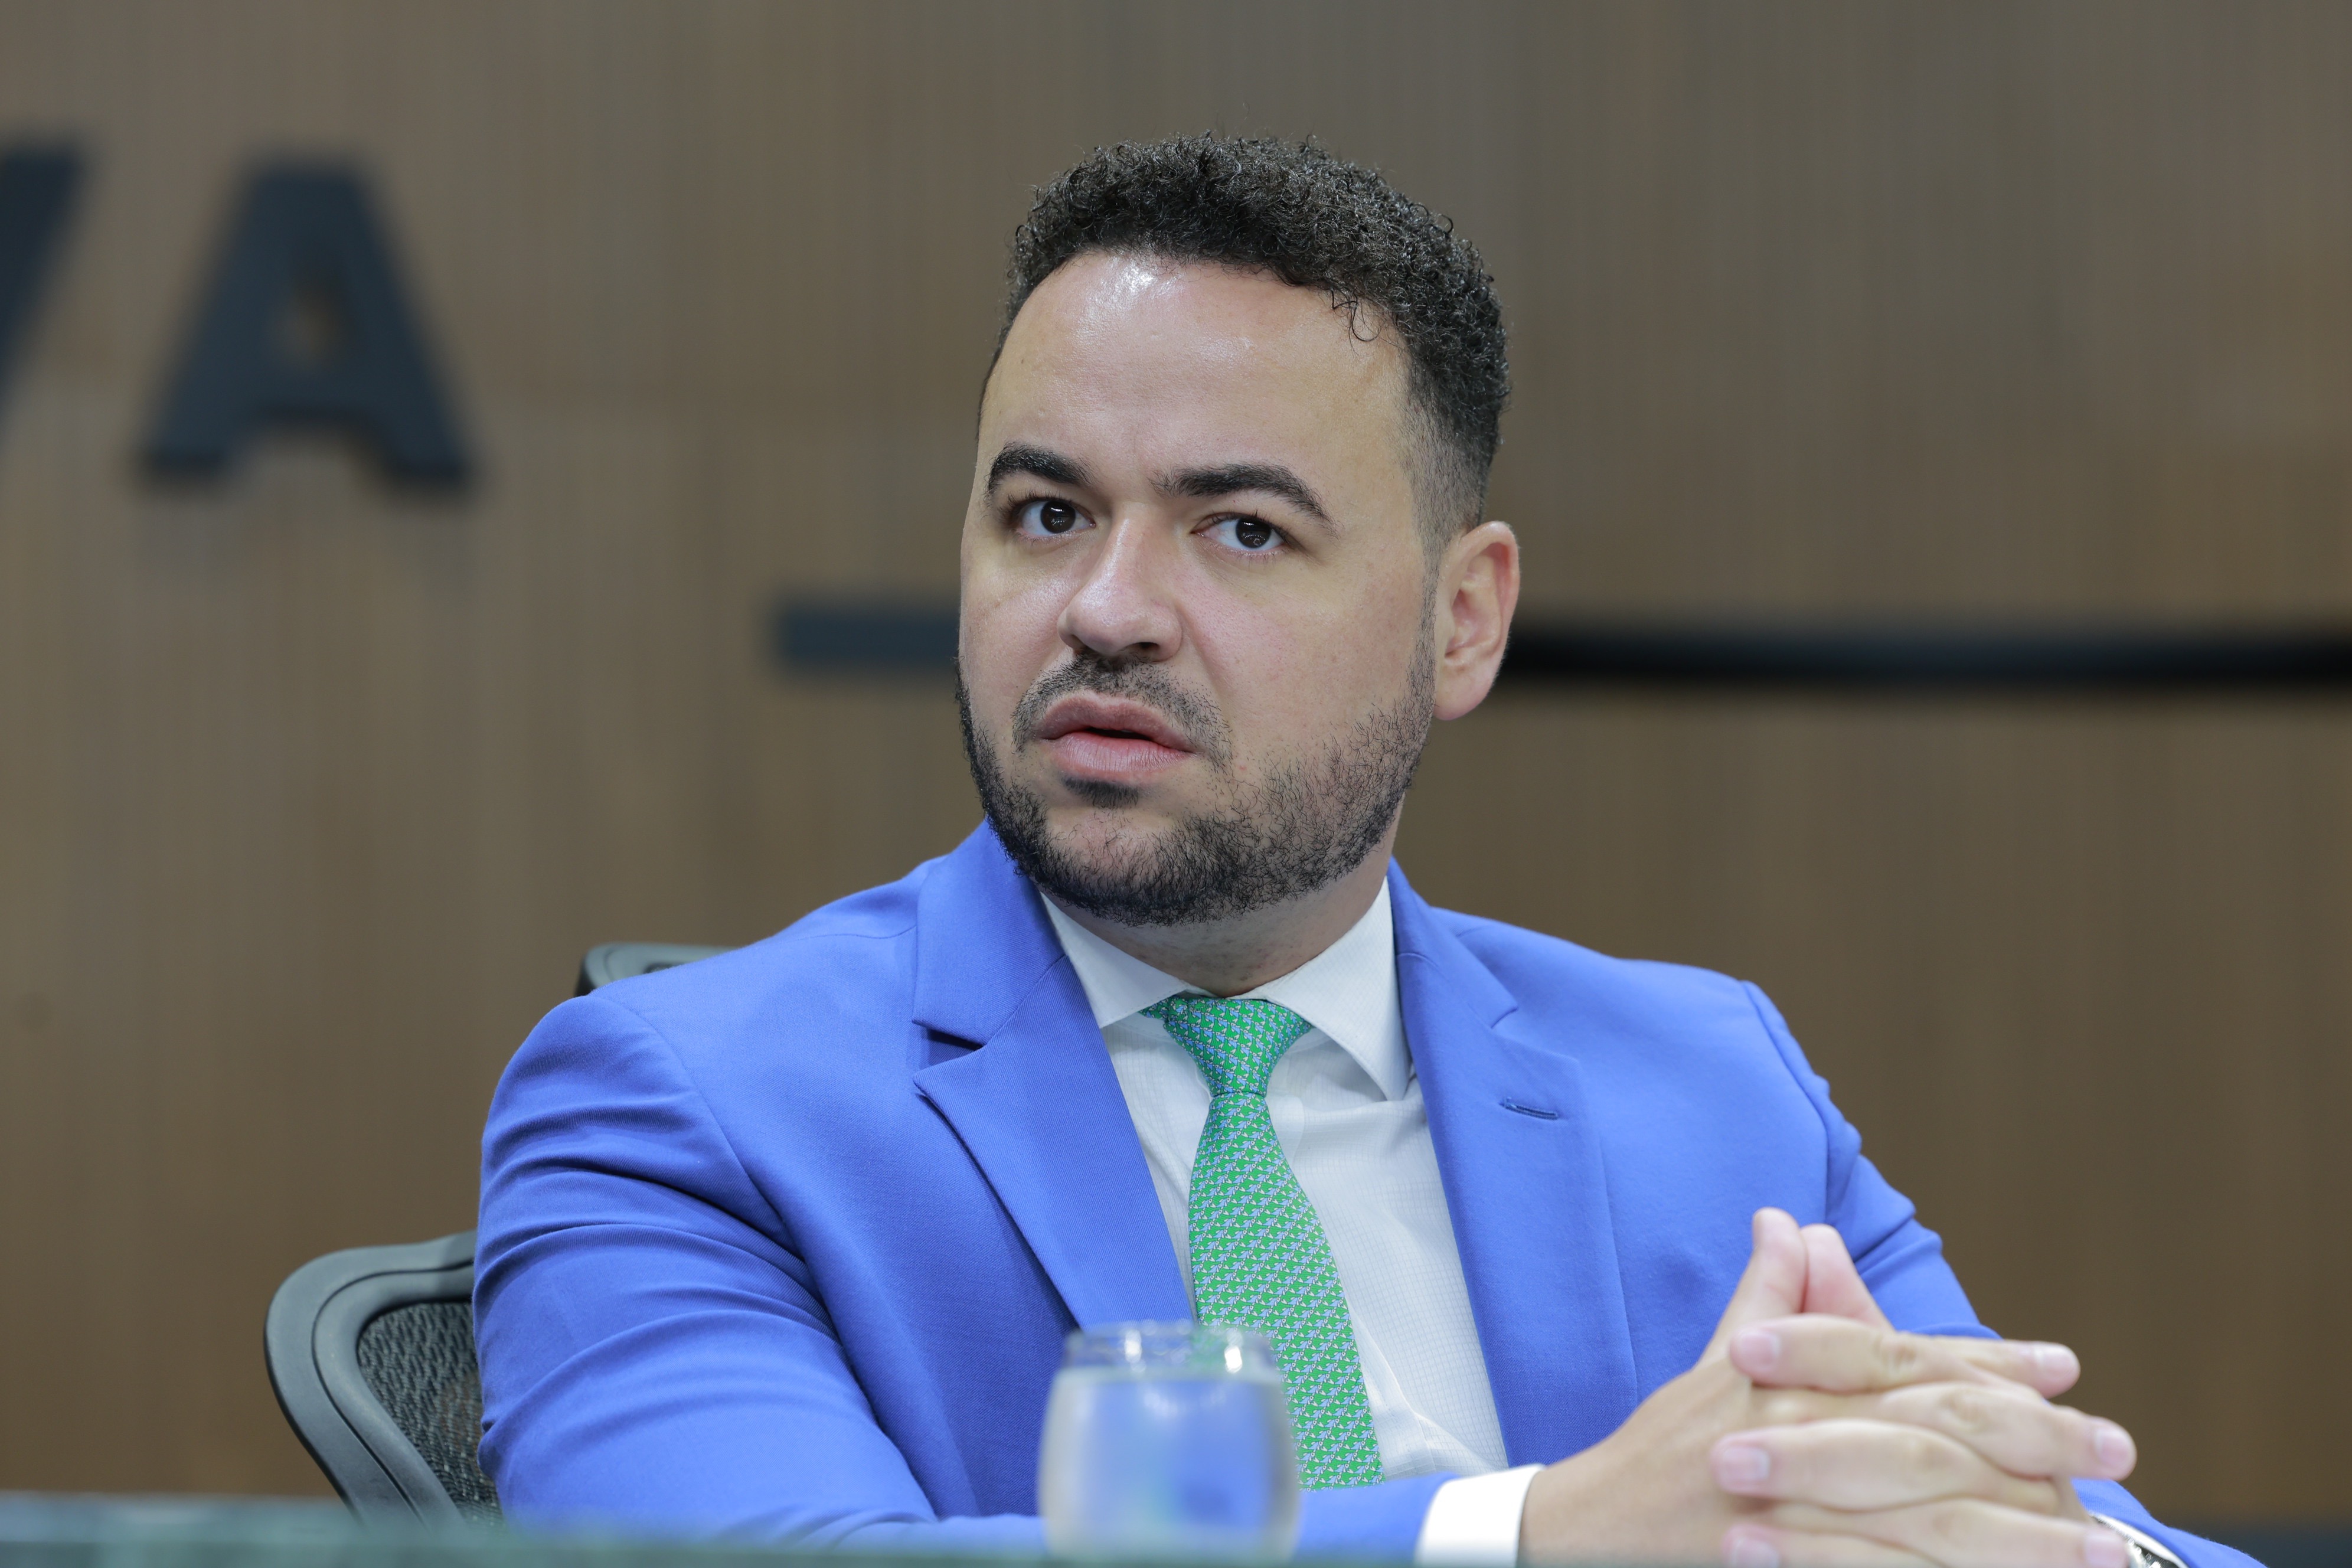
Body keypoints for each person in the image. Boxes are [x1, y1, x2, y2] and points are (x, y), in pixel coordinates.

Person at [475, 136, 2249, 1568]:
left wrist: (2041, 1545)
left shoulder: (1712, 1090)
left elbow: (2091, 1529)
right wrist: (1537, 1537)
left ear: (1463, 622)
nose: (1106, 609)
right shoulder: (682, 1113)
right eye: (1047, 513)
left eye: (1240, 530)